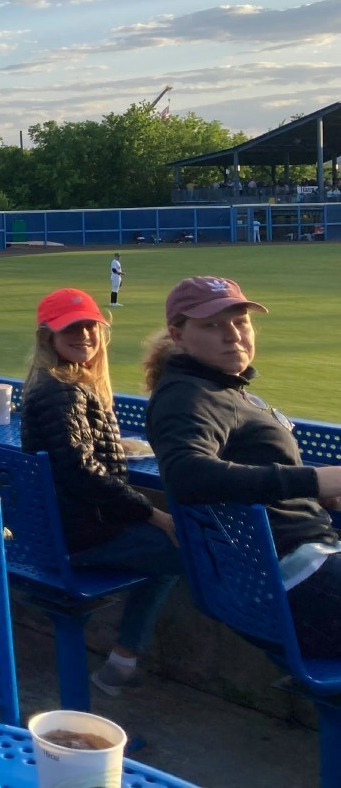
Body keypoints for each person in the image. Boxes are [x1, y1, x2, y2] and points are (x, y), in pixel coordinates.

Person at [146, 276, 341, 658]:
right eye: (212, 325)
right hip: (296, 582)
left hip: (289, 575)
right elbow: (186, 474)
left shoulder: (217, 388)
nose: (232, 335)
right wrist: (316, 479)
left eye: (240, 322)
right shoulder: (188, 394)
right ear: (178, 336)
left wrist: (318, 494)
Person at [21, 288, 182, 695]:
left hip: (59, 531)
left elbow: (77, 460)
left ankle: (122, 662)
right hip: (77, 539)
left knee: (167, 551)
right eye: (70, 329)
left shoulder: (60, 386)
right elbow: (83, 472)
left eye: (90, 326)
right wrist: (155, 514)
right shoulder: (63, 390)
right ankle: (122, 662)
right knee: (184, 549)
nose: (84, 336)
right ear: (48, 338)